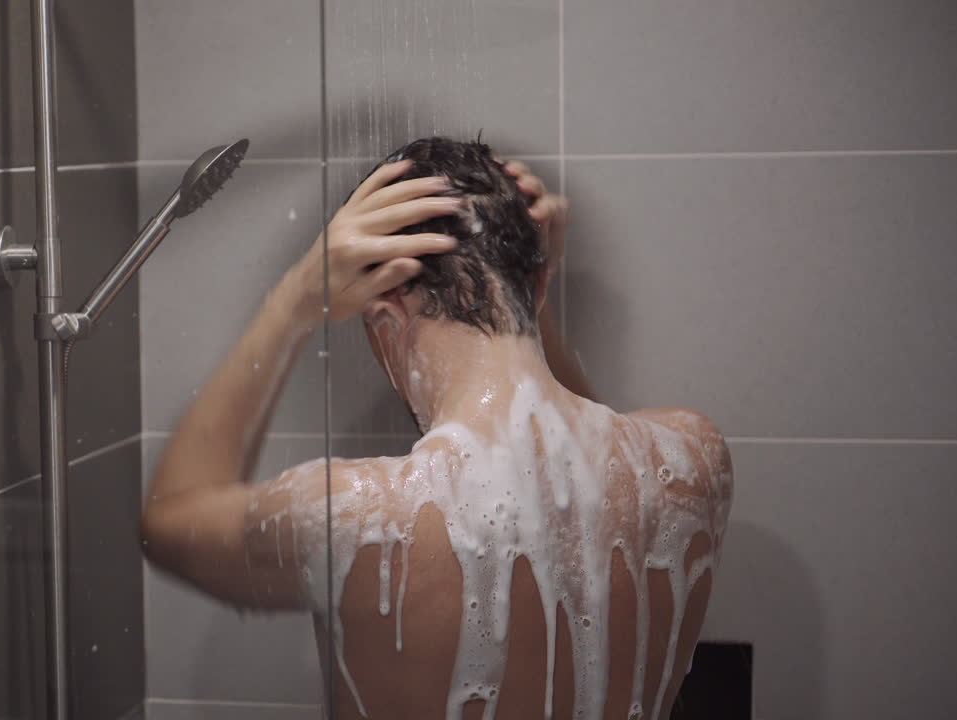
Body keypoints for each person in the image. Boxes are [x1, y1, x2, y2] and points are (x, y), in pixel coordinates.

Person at [141, 137, 733, 720]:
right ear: (541, 284)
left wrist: (294, 302)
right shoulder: (692, 459)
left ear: (384, 311)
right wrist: (528, 284)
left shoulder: (353, 516)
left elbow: (168, 522)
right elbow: (580, 476)